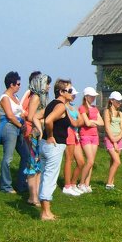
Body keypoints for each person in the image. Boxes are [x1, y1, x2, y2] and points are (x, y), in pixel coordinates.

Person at [38, 79, 73, 221]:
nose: (72, 93)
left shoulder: (50, 105)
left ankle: (45, 211)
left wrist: (43, 134)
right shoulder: (60, 106)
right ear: (61, 92)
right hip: (54, 145)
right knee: (50, 178)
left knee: (45, 176)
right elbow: (47, 121)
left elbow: (36, 117)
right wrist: (51, 135)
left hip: (44, 144)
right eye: (69, 91)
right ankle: (46, 213)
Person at [22, 71, 52, 206]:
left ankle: (37, 195)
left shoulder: (43, 97)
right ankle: (32, 197)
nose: (48, 86)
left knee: (38, 166)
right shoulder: (35, 97)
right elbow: (30, 116)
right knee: (33, 166)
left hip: (41, 133)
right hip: (35, 134)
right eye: (47, 83)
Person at [0, 71, 28, 194]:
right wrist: (21, 125)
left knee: (26, 156)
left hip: (18, 127)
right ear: (11, 84)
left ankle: (21, 184)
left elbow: (22, 112)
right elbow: (10, 115)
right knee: (8, 158)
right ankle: (6, 185)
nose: (20, 86)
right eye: (18, 84)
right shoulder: (5, 98)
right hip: (9, 127)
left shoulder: (17, 98)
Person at [78, 86, 104, 193]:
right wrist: (94, 122)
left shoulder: (95, 108)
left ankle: (87, 184)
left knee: (91, 162)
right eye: (91, 96)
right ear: (86, 96)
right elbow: (87, 123)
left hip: (94, 136)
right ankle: (81, 183)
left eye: (94, 96)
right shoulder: (82, 108)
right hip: (85, 135)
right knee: (90, 160)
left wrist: (92, 122)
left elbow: (101, 122)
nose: (93, 98)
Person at [62, 87, 84, 197]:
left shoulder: (74, 107)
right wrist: (76, 122)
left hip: (76, 136)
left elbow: (81, 121)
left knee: (81, 162)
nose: (74, 96)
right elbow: (74, 123)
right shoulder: (64, 107)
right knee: (69, 160)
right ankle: (67, 186)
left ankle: (73, 183)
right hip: (68, 134)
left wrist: (77, 122)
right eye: (72, 94)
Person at [103, 91, 122, 190]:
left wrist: (118, 138)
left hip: (118, 138)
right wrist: (114, 141)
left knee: (113, 161)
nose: (120, 103)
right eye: (118, 101)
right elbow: (107, 128)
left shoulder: (120, 113)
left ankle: (112, 181)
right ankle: (109, 184)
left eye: (121, 101)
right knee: (117, 161)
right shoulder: (107, 112)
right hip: (110, 139)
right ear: (111, 101)